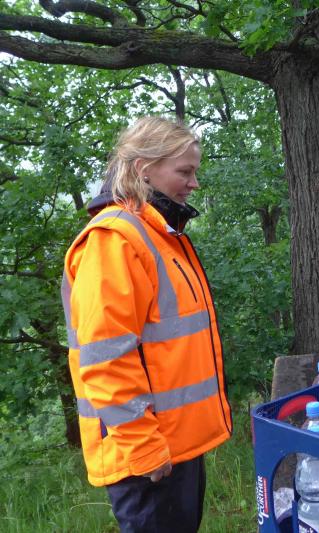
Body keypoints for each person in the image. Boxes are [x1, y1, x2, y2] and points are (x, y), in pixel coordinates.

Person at [60, 117, 233, 532]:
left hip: (175, 446)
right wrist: (145, 449)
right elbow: (106, 361)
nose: (194, 183)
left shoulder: (160, 235)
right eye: (184, 171)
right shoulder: (115, 240)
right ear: (144, 169)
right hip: (146, 456)